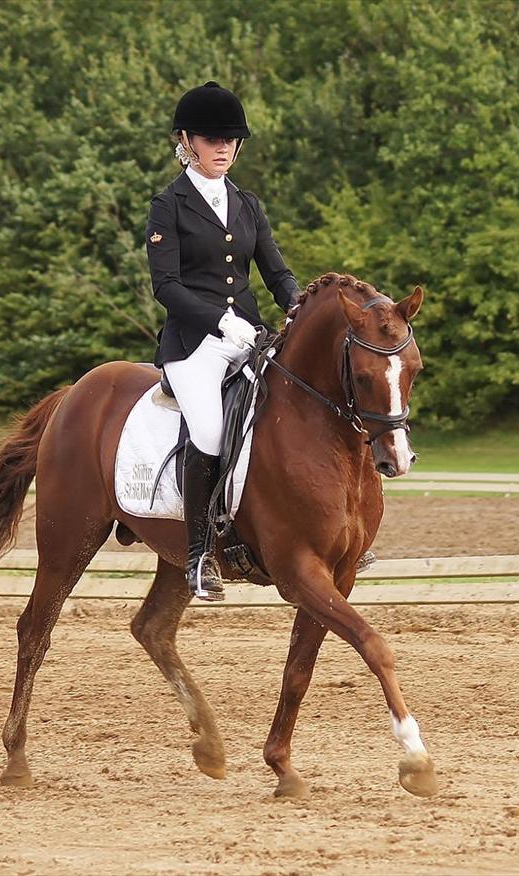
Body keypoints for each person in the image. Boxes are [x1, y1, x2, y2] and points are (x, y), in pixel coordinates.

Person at [145, 81, 300, 602]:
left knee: (297, 411)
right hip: (193, 346)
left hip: (250, 338)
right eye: (212, 139)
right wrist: (219, 322)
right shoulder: (168, 204)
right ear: (186, 140)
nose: (224, 149)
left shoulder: (247, 203)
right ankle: (197, 554)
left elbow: (275, 271)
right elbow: (165, 286)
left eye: (231, 140)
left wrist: (297, 303)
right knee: (210, 432)